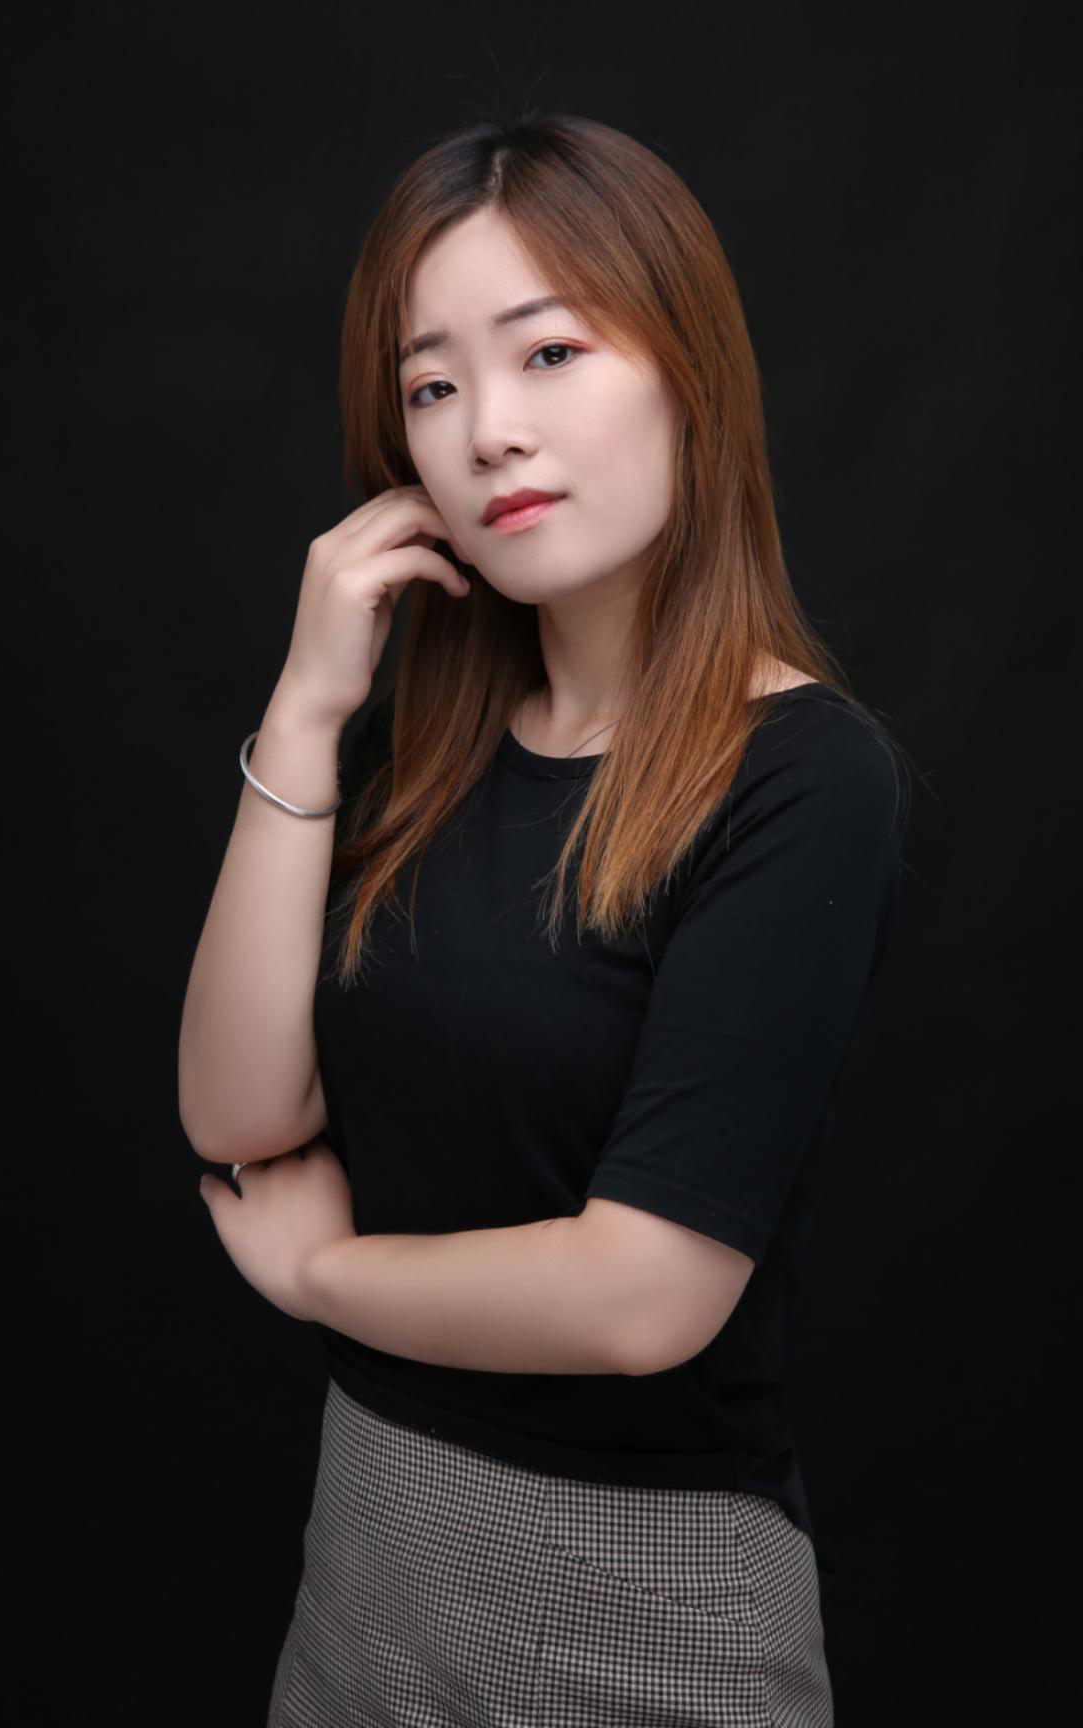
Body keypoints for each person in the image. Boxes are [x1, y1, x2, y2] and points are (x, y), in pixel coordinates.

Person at [182, 108, 911, 1728]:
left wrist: (326, 1280)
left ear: (688, 371)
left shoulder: (803, 776)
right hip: (364, 1565)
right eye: (432, 386)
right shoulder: (425, 755)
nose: (490, 431)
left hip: (638, 1608)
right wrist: (305, 712)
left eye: (551, 353)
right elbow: (239, 1118)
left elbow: (643, 1296)